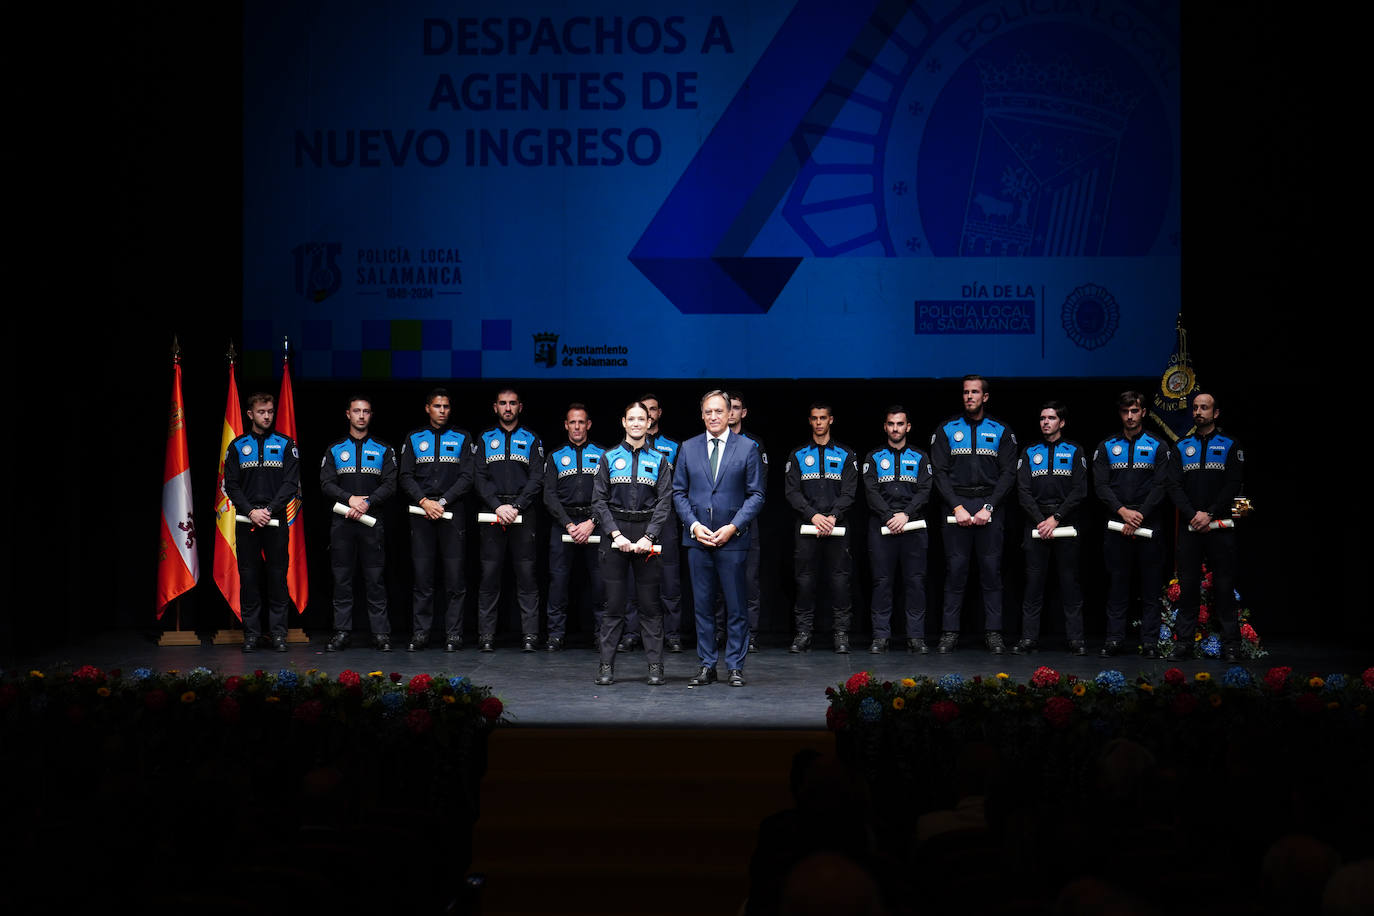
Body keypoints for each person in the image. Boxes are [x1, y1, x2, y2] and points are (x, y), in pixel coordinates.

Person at [673, 390, 766, 687]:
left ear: (730, 414)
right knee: (702, 606)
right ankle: (707, 665)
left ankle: (735, 666)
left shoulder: (748, 447)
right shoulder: (687, 448)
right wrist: (694, 524)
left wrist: (734, 527)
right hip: (698, 539)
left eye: (719, 411)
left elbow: (757, 494)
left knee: (737, 606)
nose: (713, 417)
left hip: (733, 540)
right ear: (702, 415)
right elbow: (678, 492)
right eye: (708, 412)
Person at [929, 375, 1017, 654]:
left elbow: (1008, 473)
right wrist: (956, 506)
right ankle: (949, 633)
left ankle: (993, 634)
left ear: (985, 397)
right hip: (956, 505)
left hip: (989, 506)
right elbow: (939, 473)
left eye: (975, 392)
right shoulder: (946, 429)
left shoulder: (1000, 429)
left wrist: (988, 507)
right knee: (955, 573)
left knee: (991, 573)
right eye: (966, 392)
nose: (969, 397)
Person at [592, 401, 674, 685]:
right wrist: (615, 534)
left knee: (650, 605)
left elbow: (665, 502)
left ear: (649, 423)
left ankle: (655, 666)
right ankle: (606, 666)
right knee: (613, 605)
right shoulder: (609, 457)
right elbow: (598, 501)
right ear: (623, 422)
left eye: (643, 419)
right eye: (632, 419)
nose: (638, 423)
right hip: (616, 533)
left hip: (646, 532)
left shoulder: (660, 461)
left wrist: (649, 536)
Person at [1094, 391, 1177, 658]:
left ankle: (1150, 643)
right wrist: (1123, 512)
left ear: (1143, 413)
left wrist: (1138, 515)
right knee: (1117, 586)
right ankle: (1114, 640)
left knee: (1151, 587)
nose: (1129, 416)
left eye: (1134, 411)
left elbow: (1161, 485)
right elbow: (1101, 485)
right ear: (1120, 414)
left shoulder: (1159, 446)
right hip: (1117, 527)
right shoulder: (1106, 446)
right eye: (1125, 411)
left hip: (1149, 527)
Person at [398, 388, 475, 652]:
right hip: (421, 513)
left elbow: (467, 477)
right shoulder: (413, 437)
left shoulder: (463, 437)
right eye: (437, 406)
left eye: (446, 406)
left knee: (455, 579)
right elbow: (405, 475)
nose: (442, 411)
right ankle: (421, 634)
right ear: (427, 408)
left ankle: (453, 635)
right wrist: (424, 502)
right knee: (423, 578)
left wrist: (441, 503)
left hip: (451, 514)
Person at [1170, 391, 1245, 661]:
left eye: (1205, 408)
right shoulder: (1181, 446)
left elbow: (1233, 485)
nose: (1199, 412)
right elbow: (1174, 486)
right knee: (1188, 586)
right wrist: (1193, 515)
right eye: (1196, 407)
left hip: (1221, 528)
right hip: (1191, 529)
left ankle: (1231, 645)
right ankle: (1184, 644)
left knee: (1224, 587)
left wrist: (1210, 513)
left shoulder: (1230, 444)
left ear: (1216, 413)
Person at [320, 397, 398, 652]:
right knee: (342, 579)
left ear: (371, 415)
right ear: (348, 414)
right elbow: (326, 483)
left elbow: (390, 483)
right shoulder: (334, 449)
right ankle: (342, 632)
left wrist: (368, 502)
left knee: (375, 579)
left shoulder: (384, 449)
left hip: (372, 522)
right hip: (342, 523)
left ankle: (381, 634)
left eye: (366, 411)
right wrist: (349, 499)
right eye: (356, 411)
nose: (361, 416)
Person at [224, 392, 299, 652]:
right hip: (247, 520)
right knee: (249, 578)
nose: (267, 416)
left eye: (270, 411)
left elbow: (291, 484)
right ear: (250, 414)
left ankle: (278, 634)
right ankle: (252, 634)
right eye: (261, 412)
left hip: (276, 520)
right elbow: (230, 485)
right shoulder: (236, 446)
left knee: (278, 578)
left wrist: (268, 510)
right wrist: (251, 511)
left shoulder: (286, 444)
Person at [784, 401, 859, 653]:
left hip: (838, 529)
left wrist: (833, 516)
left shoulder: (847, 455)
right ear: (810, 421)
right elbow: (792, 492)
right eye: (814, 418)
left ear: (831, 420)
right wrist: (813, 515)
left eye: (823, 418)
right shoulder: (797, 455)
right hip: (807, 528)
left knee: (840, 583)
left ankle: (841, 634)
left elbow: (850, 492)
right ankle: (803, 634)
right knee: (805, 583)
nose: (818, 422)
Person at [1013, 401, 1087, 655]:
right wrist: (1040, 520)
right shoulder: (1029, 452)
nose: (1045, 422)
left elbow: (1080, 490)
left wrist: (1055, 518)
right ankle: (1028, 639)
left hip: (1066, 524)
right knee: (1033, 584)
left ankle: (1076, 640)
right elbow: (1022, 491)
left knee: (1070, 584)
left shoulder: (1075, 451)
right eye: (1042, 418)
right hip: (1036, 525)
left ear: (1062, 422)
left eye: (1051, 418)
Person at [474, 387, 545, 652]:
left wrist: (515, 506)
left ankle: (530, 637)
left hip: (522, 513)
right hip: (492, 512)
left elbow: (537, 478)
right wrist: (497, 506)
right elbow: (478, 477)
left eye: (512, 403)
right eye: (502, 403)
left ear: (520, 407)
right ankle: (486, 636)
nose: (507, 408)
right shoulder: (484, 438)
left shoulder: (531, 439)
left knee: (527, 576)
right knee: (489, 576)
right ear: (495, 407)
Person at [862, 405, 932, 653]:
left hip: (913, 528)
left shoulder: (921, 457)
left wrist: (906, 515)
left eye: (900, 424)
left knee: (915, 583)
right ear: (885, 427)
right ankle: (881, 636)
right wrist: (890, 516)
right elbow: (870, 492)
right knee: (882, 583)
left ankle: (916, 637)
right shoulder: (873, 458)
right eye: (891, 424)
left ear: (908, 427)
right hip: (881, 528)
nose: (895, 428)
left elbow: (925, 491)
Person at [621, 392, 684, 652]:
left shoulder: (674, 447)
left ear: (656, 415)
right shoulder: (622, 452)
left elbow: (680, 487)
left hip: (666, 520)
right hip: (637, 519)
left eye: (652, 410)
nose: (647, 415)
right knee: (632, 580)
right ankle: (632, 632)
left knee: (670, 580)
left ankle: (673, 634)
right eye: (641, 411)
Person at [543, 403, 606, 651]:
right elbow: (548, 495)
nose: (577, 427)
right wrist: (568, 524)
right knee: (558, 582)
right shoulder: (555, 456)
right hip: (563, 525)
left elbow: (607, 494)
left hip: (595, 524)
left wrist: (592, 522)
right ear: (566, 425)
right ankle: (556, 635)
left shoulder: (603, 454)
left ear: (588, 424)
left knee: (601, 583)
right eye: (573, 422)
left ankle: (603, 635)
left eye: (582, 422)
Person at [728, 391, 768, 651]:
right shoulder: (710, 443)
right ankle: (722, 634)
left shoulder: (754, 444)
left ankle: (750, 634)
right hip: (716, 522)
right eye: (726, 407)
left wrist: (741, 516)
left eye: (735, 408)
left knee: (749, 581)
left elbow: (759, 486)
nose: (730, 412)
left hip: (746, 522)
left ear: (744, 412)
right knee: (721, 583)